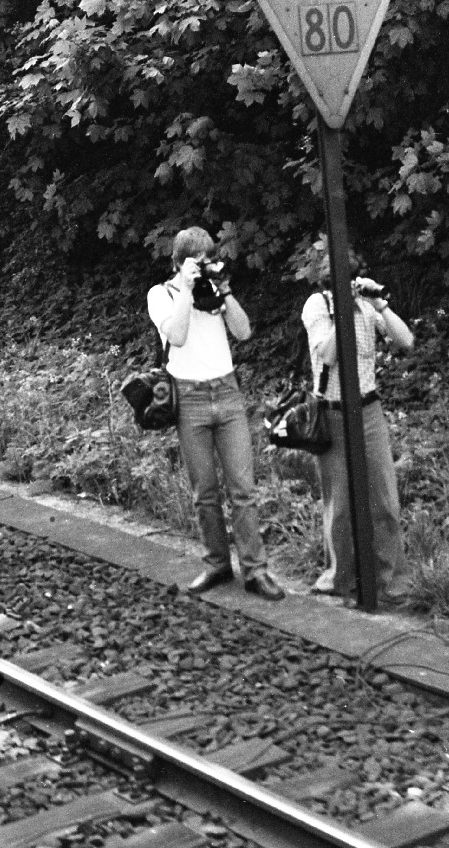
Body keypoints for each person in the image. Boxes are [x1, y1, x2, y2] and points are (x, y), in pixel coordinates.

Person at [147, 226, 283, 601]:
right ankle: (217, 564)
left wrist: (225, 290)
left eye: (209, 260)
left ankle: (256, 571)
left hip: (226, 391)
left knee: (243, 489)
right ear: (179, 262)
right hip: (188, 397)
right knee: (204, 491)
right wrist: (186, 288)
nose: (205, 266)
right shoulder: (162, 294)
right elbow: (176, 336)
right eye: (198, 261)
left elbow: (243, 332)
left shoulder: (214, 290)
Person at [301, 269, 414, 606]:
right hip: (333, 412)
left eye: (355, 279)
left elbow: (406, 341)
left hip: (368, 409)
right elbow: (327, 354)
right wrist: (343, 311)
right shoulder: (317, 305)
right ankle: (341, 578)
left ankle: (392, 581)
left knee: (384, 497)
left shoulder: (366, 306)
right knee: (340, 503)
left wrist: (380, 305)